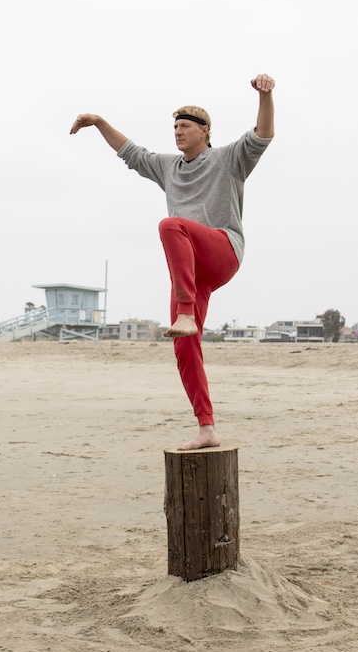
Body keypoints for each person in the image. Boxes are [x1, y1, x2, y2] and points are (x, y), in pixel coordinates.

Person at [70, 75, 276, 450]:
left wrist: (266, 95)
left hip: (222, 250)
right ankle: (206, 427)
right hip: (191, 274)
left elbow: (263, 134)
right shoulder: (169, 167)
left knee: (170, 225)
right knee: (184, 346)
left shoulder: (228, 159)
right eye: (175, 127)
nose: (178, 132)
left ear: (205, 132)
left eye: (185, 126)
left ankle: (184, 314)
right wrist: (99, 123)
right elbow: (131, 153)